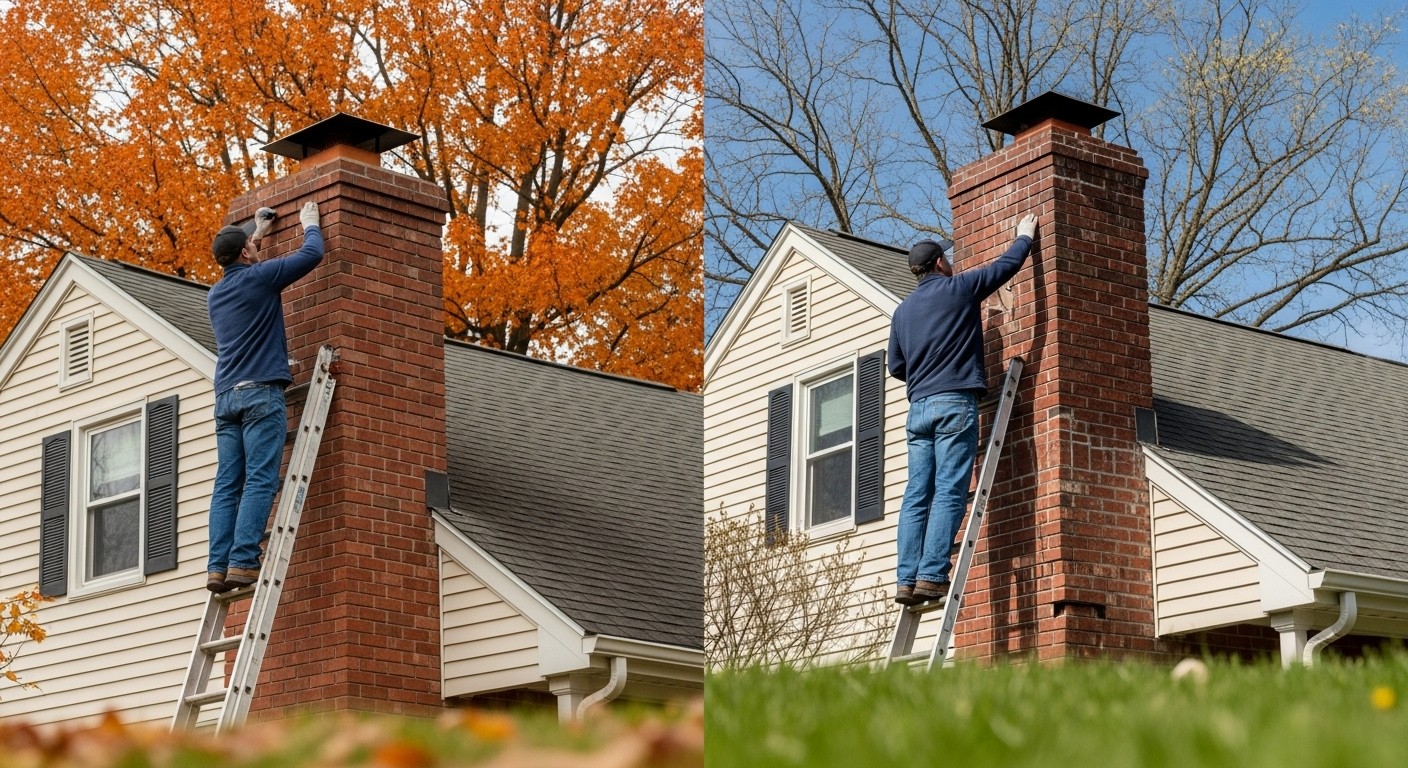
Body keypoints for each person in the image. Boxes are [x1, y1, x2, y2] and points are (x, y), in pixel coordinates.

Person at [887, 213, 1037, 605]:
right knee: (951, 491)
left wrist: (927, 375)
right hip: (954, 403)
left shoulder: (902, 313)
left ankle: (906, 579)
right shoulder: (958, 288)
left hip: (918, 410)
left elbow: (896, 367)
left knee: (917, 494)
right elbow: (1005, 267)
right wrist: (1024, 236)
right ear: (939, 262)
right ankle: (932, 575)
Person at [205, 201, 323, 592]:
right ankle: (242, 561)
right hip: (259, 396)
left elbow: (243, 263)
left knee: (228, 484)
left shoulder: (216, 295)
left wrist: (256, 232)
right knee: (259, 479)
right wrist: (310, 224)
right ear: (244, 253)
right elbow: (313, 254)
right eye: (250, 246)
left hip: (226, 398)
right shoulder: (261, 278)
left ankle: (218, 567)